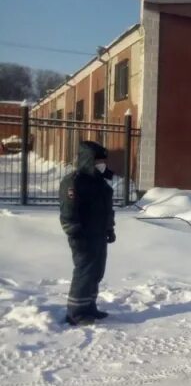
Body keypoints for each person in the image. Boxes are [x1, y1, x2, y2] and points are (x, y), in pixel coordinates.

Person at [59, 140, 116, 326]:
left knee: (96, 272)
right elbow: (68, 212)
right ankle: (76, 313)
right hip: (83, 236)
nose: (102, 165)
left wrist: (109, 228)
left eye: (103, 161)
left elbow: (107, 209)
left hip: (98, 235)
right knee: (84, 272)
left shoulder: (99, 182)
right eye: (98, 161)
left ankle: (89, 306)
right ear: (88, 160)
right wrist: (75, 235)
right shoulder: (74, 182)